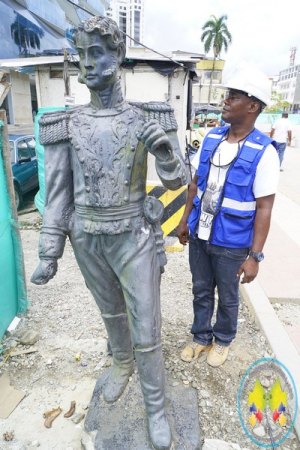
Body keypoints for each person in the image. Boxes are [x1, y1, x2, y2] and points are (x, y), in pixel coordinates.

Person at [31, 16, 187, 450]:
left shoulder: (147, 117)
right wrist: (49, 251)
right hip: (87, 237)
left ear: (117, 55)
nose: (87, 65)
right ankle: (121, 364)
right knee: (111, 313)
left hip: (133, 232)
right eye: (82, 55)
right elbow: (59, 192)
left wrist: (167, 155)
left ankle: (155, 405)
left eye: (96, 53)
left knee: (146, 324)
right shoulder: (67, 123)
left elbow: (178, 182)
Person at [177, 64, 279, 368]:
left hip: (232, 244)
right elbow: (194, 184)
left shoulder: (265, 152)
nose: (226, 100)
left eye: (233, 96)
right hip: (200, 235)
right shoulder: (211, 139)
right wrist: (184, 222)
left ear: (252, 106)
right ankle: (200, 337)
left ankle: (222, 341)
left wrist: (255, 256)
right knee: (200, 290)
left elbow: (265, 208)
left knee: (228, 296)